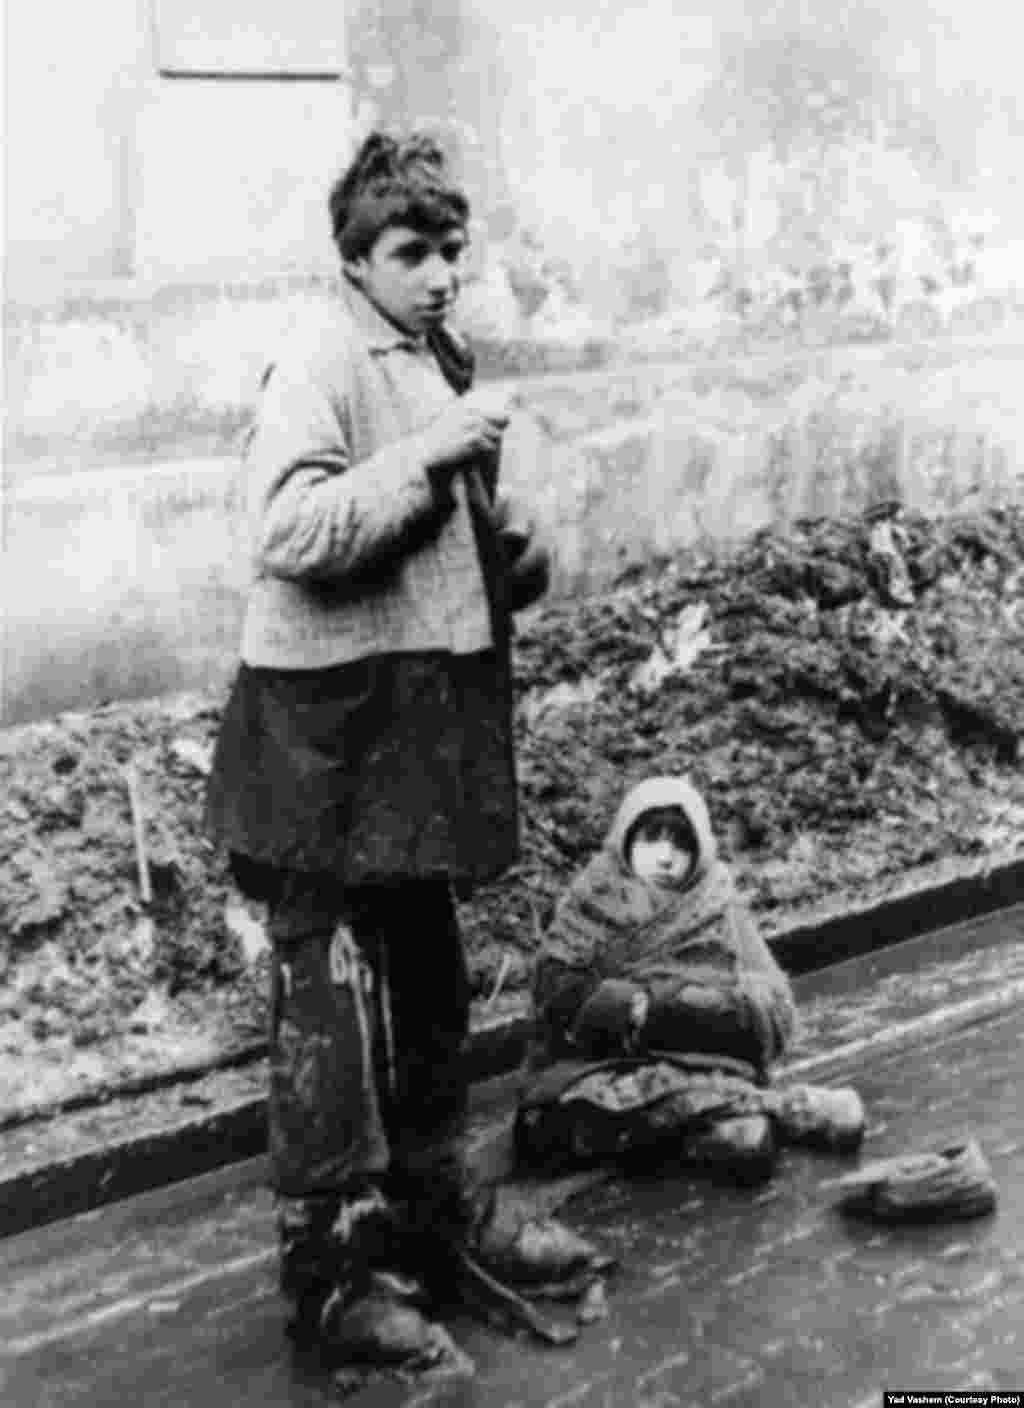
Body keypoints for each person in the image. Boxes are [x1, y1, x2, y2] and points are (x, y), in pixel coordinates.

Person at [204, 131, 608, 1379]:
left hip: (403, 729)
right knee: (326, 1004)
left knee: (427, 971)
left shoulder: (433, 350)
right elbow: (290, 529)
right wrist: (433, 454)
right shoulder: (323, 356)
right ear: (356, 259)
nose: (439, 274)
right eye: (410, 253)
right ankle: (333, 1275)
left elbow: (425, 541)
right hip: (320, 741)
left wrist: (508, 552)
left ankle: (437, 1217)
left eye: (451, 251)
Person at [516, 776, 865, 1182]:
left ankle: (723, 1124)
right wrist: (624, 1006)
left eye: (681, 843)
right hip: (599, 1069)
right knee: (560, 1121)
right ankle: (780, 1110)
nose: (666, 857)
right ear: (625, 839)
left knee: (729, 1128)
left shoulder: (715, 901)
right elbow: (555, 996)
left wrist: (686, 1003)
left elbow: (775, 1003)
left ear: (699, 847)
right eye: (651, 839)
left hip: (699, 1061)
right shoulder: (590, 899)